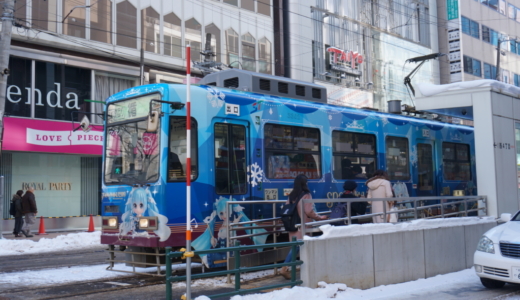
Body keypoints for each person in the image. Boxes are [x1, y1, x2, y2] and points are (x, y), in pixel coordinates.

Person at [280, 174, 327, 280]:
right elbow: (309, 211)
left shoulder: (292, 195)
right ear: (305, 183)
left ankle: (306, 268)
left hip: (292, 224)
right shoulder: (306, 195)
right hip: (302, 225)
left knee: (296, 246)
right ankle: (284, 268)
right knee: (297, 247)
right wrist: (320, 218)